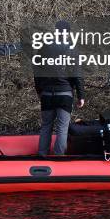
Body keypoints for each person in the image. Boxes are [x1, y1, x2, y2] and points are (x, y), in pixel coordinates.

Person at [34, 21, 85, 156]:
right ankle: (59, 158)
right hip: (64, 94)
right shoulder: (72, 49)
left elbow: (37, 70)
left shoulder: (44, 48)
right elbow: (77, 75)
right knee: (62, 128)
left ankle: (42, 154)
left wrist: (39, 90)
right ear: (67, 34)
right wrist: (81, 96)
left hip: (47, 94)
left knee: (46, 126)